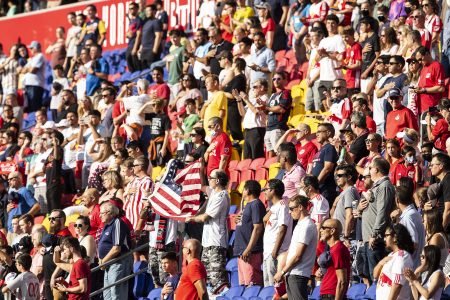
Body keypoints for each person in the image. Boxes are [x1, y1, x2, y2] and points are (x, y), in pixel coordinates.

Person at [185, 169, 230, 294]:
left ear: (218, 180)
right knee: (207, 277)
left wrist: (192, 218)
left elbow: (206, 217)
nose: (209, 179)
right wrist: (199, 167)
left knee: (217, 278)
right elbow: (203, 186)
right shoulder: (214, 193)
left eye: (211, 177)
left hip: (217, 242)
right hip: (207, 243)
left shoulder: (222, 195)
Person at [273, 195, 318, 300]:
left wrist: (282, 272)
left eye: (292, 208)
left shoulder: (306, 225)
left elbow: (298, 255)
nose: (289, 212)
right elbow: (291, 252)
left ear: (301, 207)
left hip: (298, 273)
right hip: (293, 273)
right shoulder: (300, 225)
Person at [360, 157, 395, 282]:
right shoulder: (377, 186)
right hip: (369, 239)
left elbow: (383, 212)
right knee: (369, 276)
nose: (369, 172)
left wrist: (375, 233)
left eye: (370, 168)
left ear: (377, 169)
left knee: (377, 277)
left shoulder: (384, 186)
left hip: (376, 240)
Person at [98, 201, 132, 300]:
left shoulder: (117, 222)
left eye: (101, 213)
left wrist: (103, 262)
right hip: (109, 263)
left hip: (119, 262)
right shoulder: (107, 225)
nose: (99, 216)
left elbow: (117, 248)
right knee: (107, 295)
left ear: (109, 212)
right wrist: (102, 261)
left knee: (117, 294)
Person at [234, 180, 265, 286]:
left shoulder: (256, 204)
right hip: (242, 251)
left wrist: (248, 250)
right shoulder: (247, 205)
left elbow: (258, 228)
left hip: (250, 252)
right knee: (243, 287)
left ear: (247, 190)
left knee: (252, 286)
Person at [262, 179, 293, 287]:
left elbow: (282, 229)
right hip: (268, 252)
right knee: (268, 287)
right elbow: (265, 219)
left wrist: (275, 251)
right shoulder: (275, 206)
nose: (264, 192)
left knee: (275, 287)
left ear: (273, 190)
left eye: (266, 189)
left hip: (276, 252)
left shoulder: (283, 206)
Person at [374, 224, 415, 300]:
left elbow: (397, 285)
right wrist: (380, 263)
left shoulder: (402, 256)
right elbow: (375, 275)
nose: (384, 239)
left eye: (386, 235)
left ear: (395, 237)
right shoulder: (391, 255)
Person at [393, 186, 426, 268]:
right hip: (416, 263)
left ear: (397, 200)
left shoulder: (408, 217)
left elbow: (414, 243)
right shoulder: (413, 213)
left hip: (412, 265)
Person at [319, 218, 351, 300]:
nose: (320, 231)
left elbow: (342, 281)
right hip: (328, 294)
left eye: (323, 228)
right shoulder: (334, 249)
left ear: (332, 231)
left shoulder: (338, 249)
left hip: (332, 295)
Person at [263, 71, 292, 158]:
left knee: (279, 152)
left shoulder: (286, 93)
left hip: (278, 127)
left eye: (279, 79)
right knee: (270, 152)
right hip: (269, 128)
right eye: (274, 79)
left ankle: (280, 169)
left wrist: (266, 108)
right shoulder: (272, 95)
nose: (276, 81)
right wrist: (263, 107)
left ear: (284, 81)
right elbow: (267, 111)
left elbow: (281, 109)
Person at [413, 46, 445, 114]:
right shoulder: (423, 68)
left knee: (432, 124)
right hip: (422, 108)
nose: (419, 62)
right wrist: (419, 88)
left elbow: (441, 88)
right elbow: (424, 86)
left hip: (433, 107)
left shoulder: (437, 66)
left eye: (420, 59)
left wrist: (424, 90)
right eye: (418, 60)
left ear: (427, 54)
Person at [311, 123, 338, 203]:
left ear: (328, 133)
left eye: (319, 132)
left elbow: (327, 168)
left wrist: (316, 185)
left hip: (325, 189)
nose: (316, 134)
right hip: (319, 189)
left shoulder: (329, 147)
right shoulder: (322, 149)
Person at [331, 164, 359, 243]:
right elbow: (333, 216)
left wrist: (346, 236)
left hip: (346, 239)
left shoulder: (350, 191)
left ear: (349, 177)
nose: (337, 178)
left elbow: (350, 215)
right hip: (339, 237)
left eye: (340, 175)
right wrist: (334, 205)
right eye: (336, 176)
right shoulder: (343, 193)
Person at [21, 41, 46, 113]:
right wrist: (27, 69)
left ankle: (36, 123)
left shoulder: (40, 56)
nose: (30, 50)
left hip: (35, 85)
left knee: (34, 107)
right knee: (30, 107)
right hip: (29, 85)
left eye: (31, 48)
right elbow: (22, 70)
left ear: (36, 48)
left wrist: (27, 69)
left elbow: (33, 70)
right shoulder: (32, 59)